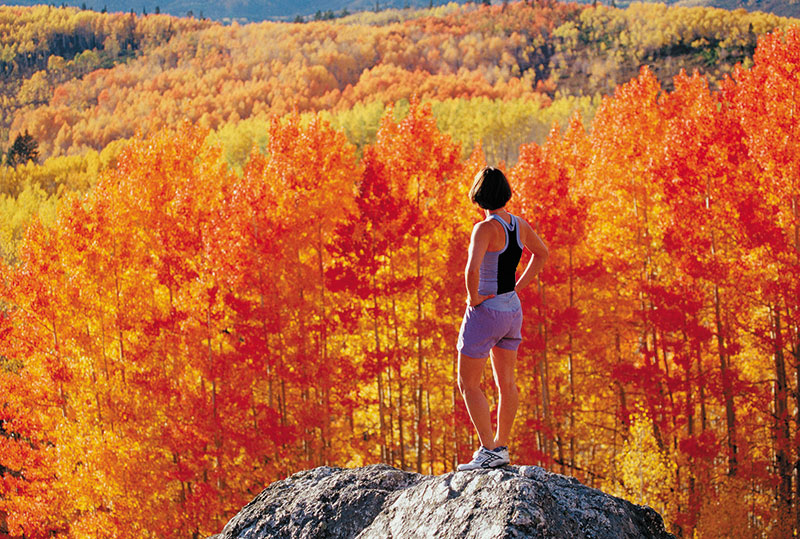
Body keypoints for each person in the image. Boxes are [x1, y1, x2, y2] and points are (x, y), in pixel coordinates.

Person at [456, 166, 549, 471]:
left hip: (487, 311)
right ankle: (501, 447)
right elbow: (542, 253)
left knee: (468, 383)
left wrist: (473, 298)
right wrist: (519, 285)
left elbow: (472, 270)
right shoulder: (519, 225)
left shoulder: (484, 229)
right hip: (512, 311)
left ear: (479, 195)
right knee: (506, 382)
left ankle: (487, 448)